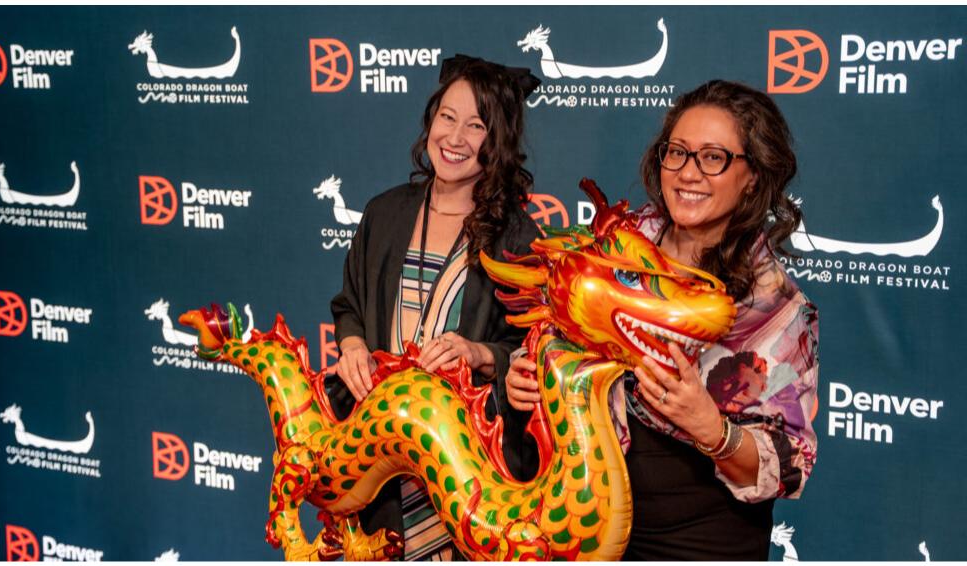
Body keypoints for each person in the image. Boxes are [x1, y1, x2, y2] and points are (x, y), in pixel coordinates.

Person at [504, 80, 819, 560]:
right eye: (678, 152)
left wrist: (712, 429)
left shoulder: (775, 307)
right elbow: (560, 338)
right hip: (586, 527)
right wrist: (529, 377)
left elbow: (790, 460)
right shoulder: (614, 248)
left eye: (713, 157)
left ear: (752, 175)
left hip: (699, 539)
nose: (689, 173)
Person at [329, 55, 542, 561]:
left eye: (477, 126)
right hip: (379, 455)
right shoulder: (385, 212)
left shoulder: (517, 236)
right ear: (430, 120)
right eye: (448, 117)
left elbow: (533, 352)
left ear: (498, 143)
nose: (456, 137)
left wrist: (478, 352)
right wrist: (353, 344)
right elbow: (349, 306)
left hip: (466, 465)